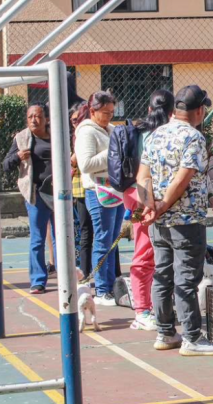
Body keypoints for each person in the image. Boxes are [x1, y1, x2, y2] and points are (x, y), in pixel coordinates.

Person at [137, 85, 213, 356]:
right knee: (187, 278)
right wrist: (163, 205)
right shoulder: (194, 137)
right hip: (186, 220)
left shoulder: (154, 135)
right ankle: (192, 338)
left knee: (162, 275)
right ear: (199, 110)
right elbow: (183, 176)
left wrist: (150, 205)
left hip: (159, 222)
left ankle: (165, 332)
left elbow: (142, 176)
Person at [123, 89, 174, 331]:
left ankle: (149, 307)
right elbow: (143, 175)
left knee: (151, 253)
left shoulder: (141, 131)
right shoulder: (152, 135)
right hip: (146, 197)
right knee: (146, 254)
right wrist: (148, 203)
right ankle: (142, 310)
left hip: (139, 196)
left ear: (149, 108)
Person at [74, 91, 123, 305]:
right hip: (98, 190)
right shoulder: (85, 132)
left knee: (112, 241)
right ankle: (102, 289)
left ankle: (110, 286)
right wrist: (114, 151)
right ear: (92, 111)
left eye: (112, 112)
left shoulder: (111, 129)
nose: (109, 116)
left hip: (115, 189)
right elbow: (85, 164)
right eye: (105, 112)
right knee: (102, 239)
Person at [3, 104, 54, 294]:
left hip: (59, 193)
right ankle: (38, 281)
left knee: (61, 237)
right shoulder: (22, 138)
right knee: (37, 238)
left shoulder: (57, 135)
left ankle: (65, 274)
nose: (34, 119)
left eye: (38, 116)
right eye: (30, 116)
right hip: (36, 194)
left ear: (47, 119)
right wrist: (17, 156)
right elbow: (6, 165)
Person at [70, 102, 93, 278]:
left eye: (78, 119)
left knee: (101, 232)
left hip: (95, 187)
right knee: (85, 231)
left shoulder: (89, 133)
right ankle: (84, 271)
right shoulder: (76, 136)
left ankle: (110, 272)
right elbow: (74, 161)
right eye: (73, 120)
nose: (76, 123)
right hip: (80, 189)